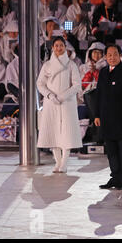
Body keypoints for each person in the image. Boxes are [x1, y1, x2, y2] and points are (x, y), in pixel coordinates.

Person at [36, 36, 83, 173]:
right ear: (52, 48)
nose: (59, 48)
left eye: (61, 45)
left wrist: (62, 96)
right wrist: (50, 95)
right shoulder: (47, 65)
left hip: (67, 102)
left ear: (65, 47)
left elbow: (77, 85)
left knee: (67, 133)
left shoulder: (71, 65)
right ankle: (57, 162)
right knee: (53, 132)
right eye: (56, 45)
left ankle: (64, 163)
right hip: (51, 103)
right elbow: (40, 84)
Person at [95, 44, 122, 190]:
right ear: (106, 57)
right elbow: (98, 95)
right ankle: (116, 177)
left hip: (121, 120)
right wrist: (96, 115)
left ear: (120, 55)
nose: (112, 57)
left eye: (115, 54)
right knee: (111, 150)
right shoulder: (103, 73)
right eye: (109, 55)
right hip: (106, 119)